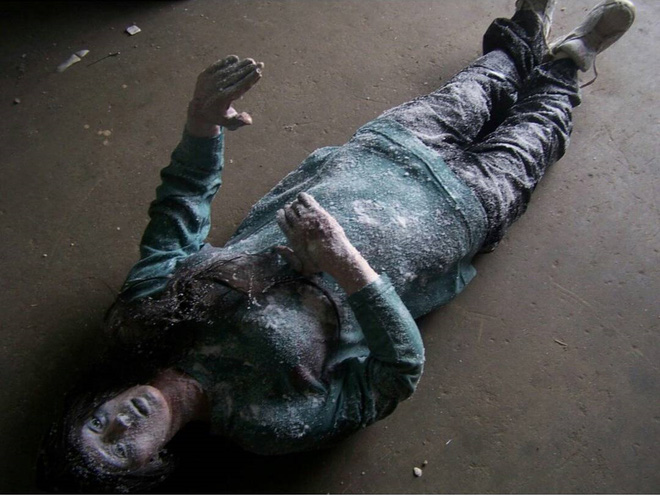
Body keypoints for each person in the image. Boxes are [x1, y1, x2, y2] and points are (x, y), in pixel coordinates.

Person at [38, 0, 636, 492]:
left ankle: (527, 29)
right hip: (460, 216)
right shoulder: (267, 424)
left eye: (99, 424)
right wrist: (345, 264)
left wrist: (203, 121)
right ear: (150, 467)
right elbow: (394, 375)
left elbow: (180, 209)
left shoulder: (146, 315)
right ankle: (573, 58)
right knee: (538, 128)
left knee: (484, 81)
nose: (122, 423)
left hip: (384, 153)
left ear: (95, 402)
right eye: (121, 449)